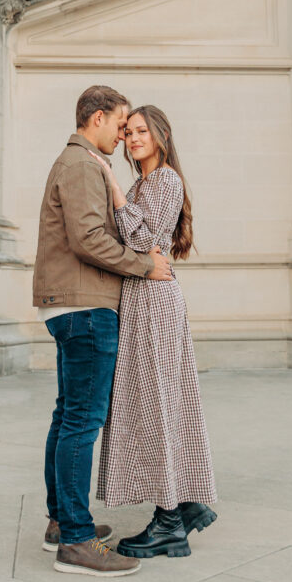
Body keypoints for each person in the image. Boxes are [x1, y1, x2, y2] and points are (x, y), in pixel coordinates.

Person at [33, 85, 174, 577]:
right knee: (82, 421)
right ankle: (74, 540)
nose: (123, 133)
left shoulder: (84, 164)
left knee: (67, 415)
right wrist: (143, 266)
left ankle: (60, 522)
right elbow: (88, 237)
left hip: (73, 304)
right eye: (119, 123)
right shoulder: (82, 164)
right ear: (96, 119)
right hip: (85, 305)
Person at [91, 104, 217, 559]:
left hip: (155, 302)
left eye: (142, 131)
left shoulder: (164, 180)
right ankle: (184, 502)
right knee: (156, 400)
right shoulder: (144, 183)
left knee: (157, 401)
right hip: (142, 298)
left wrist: (112, 190)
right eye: (128, 132)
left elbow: (144, 241)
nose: (133, 138)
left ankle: (168, 522)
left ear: (161, 135)